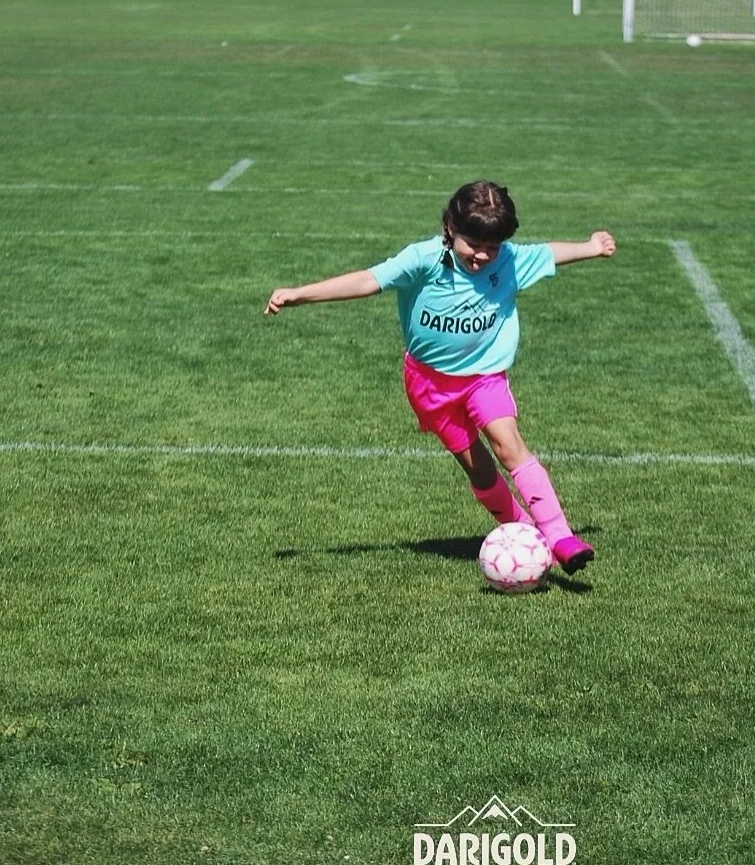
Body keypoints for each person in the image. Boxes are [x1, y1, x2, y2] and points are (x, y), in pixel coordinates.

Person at [263, 181, 616, 575]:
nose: (482, 256)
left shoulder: (510, 261)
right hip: (430, 385)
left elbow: (548, 253)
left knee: (508, 444)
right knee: (480, 469)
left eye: (492, 247)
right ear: (450, 227)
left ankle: (561, 536)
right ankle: (525, 530)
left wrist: (590, 247)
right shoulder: (423, 259)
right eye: (473, 244)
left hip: (485, 376)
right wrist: (299, 294)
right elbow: (368, 280)